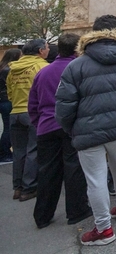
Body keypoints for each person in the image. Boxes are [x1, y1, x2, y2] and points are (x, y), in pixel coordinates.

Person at [55, 14, 116, 246]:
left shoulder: (76, 65)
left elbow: (64, 105)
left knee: (96, 179)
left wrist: (71, 129)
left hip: (88, 131)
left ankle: (104, 229)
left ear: (92, 33)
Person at [27, 33, 92, 228]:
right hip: (72, 126)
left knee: (47, 170)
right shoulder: (78, 69)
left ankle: (42, 216)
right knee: (73, 168)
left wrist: (38, 122)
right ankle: (76, 211)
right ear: (77, 49)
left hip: (46, 127)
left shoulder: (44, 72)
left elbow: (33, 102)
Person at [6, 38, 49, 201]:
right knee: (33, 150)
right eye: (46, 48)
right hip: (33, 113)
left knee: (18, 151)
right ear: (40, 51)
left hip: (15, 111)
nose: (48, 50)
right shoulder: (41, 67)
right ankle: (29, 187)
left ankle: (17, 187)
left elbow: (10, 92)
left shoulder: (13, 68)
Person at [0, 48, 21, 163]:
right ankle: (4, 153)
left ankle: (4, 152)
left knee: (7, 127)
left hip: (2, 100)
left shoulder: (2, 67)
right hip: (7, 100)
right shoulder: (9, 70)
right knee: (9, 129)